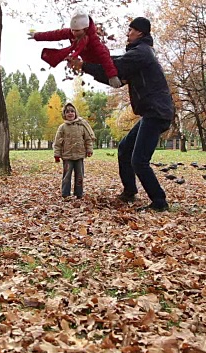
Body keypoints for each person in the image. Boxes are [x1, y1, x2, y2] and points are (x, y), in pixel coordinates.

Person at [69, 17, 175, 212]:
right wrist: (88, 63)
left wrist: (84, 65)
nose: (128, 34)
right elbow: (114, 76)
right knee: (125, 149)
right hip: (153, 112)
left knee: (139, 160)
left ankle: (159, 202)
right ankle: (129, 192)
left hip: (157, 112)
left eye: (131, 30)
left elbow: (116, 66)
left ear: (140, 33)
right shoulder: (139, 54)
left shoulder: (141, 53)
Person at [28, 9, 122, 88]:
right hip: (88, 63)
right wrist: (37, 36)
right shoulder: (70, 32)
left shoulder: (93, 40)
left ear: (85, 29)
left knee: (114, 72)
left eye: (76, 31)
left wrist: (112, 76)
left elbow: (104, 57)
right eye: (72, 29)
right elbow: (54, 34)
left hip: (100, 63)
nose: (73, 33)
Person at [53, 103, 96, 199]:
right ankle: (65, 193)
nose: (70, 113)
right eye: (67, 112)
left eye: (72, 111)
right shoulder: (62, 127)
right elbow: (57, 142)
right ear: (64, 114)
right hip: (67, 156)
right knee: (66, 176)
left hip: (79, 155)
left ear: (75, 113)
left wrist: (89, 150)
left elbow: (88, 139)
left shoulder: (81, 126)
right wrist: (57, 155)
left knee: (80, 175)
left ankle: (79, 193)